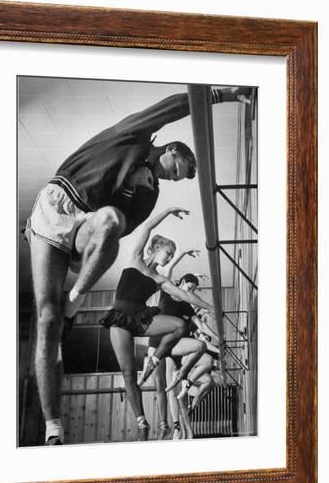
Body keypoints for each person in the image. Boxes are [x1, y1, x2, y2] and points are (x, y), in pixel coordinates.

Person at [25, 86, 250, 445]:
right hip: (55, 207)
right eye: (179, 170)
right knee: (47, 319)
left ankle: (78, 296)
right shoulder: (134, 135)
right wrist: (223, 95)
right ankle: (54, 427)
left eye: (177, 179)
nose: (172, 178)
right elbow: (176, 105)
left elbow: (121, 234)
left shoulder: (148, 194)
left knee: (112, 220)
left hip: (88, 229)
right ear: (172, 149)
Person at [100, 210, 214, 440]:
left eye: (172, 256)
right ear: (157, 248)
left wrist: (212, 308)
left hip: (141, 318)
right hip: (120, 318)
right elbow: (146, 228)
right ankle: (142, 423)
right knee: (129, 373)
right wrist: (169, 210)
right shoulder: (135, 259)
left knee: (179, 326)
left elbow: (186, 296)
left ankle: (154, 358)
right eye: (168, 253)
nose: (169, 258)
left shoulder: (159, 279)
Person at [146, 272, 221, 438]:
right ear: (181, 282)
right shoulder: (167, 291)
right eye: (189, 287)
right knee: (168, 389)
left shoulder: (187, 306)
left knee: (202, 376)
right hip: (163, 344)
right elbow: (166, 271)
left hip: (180, 348)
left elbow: (200, 325)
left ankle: (188, 425)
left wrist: (217, 337)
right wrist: (183, 255)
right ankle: (176, 426)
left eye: (194, 289)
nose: (191, 291)